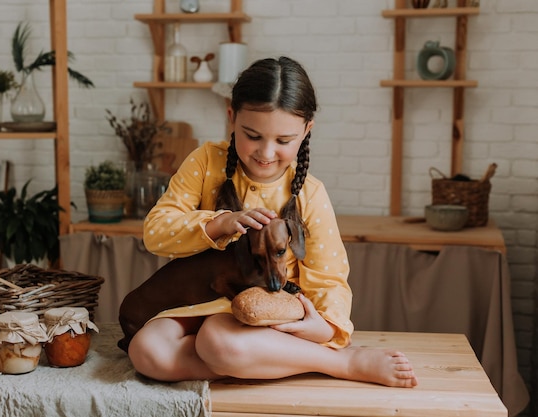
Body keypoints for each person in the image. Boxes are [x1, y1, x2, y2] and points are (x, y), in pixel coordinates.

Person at [129, 56, 418, 388]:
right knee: (145, 351)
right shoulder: (205, 161)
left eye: (283, 141)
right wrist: (220, 224)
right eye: (252, 135)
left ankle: (343, 362)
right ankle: (259, 359)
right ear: (231, 118)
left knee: (217, 339)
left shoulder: (310, 193)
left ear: (306, 130)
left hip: (267, 312)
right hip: (196, 303)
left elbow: (329, 279)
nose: (266, 153)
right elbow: (155, 233)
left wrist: (326, 328)